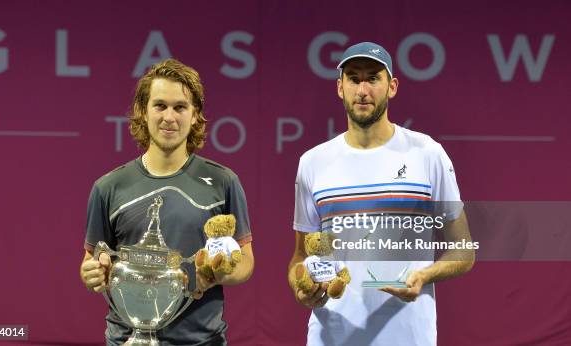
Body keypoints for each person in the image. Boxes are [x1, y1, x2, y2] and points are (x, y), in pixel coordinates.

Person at [287, 42, 475, 346]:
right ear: (340, 87)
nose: (363, 89)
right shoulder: (312, 162)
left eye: (373, 78)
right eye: (354, 78)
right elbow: (301, 255)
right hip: (331, 335)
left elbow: (463, 251)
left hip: (408, 335)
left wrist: (424, 276)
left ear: (392, 87)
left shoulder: (427, 154)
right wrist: (302, 287)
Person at [79, 58, 254, 346]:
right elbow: (92, 259)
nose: (169, 117)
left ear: (195, 114)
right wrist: (91, 273)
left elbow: (246, 262)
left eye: (180, 107)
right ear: (143, 112)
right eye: (160, 105)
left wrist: (222, 270)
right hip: (126, 340)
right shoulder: (107, 187)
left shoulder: (224, 182)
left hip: (201, 341)